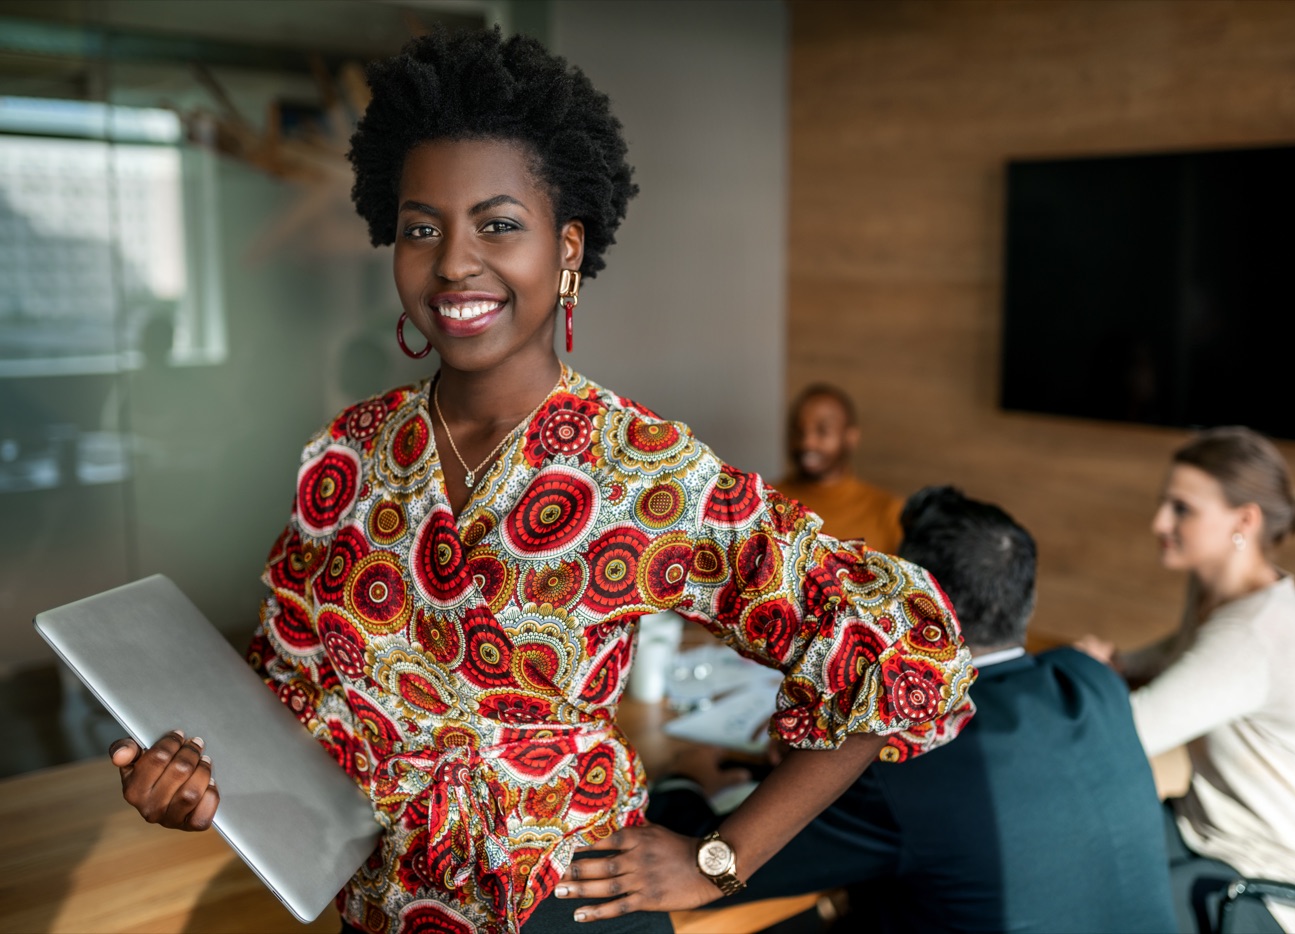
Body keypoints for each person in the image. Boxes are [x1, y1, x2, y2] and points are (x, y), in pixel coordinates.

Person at [105, 28, 976, 934]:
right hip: (386, 908)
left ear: (566, 249)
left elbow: (899, 642)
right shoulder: (346, 457)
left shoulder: (643, 467)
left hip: (568, 911)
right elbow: (282, 699)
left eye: (498, 224)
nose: (451, 262)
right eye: (420, 228)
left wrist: (722, 856)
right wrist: (205, 785)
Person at [649, 486, 1177, 934]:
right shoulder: (1087, 680)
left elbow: (736, 870)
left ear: (914, 601)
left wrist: (684, 785)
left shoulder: (904, 750)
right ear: (1028, 600)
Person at [1077, 427, 1295, 934]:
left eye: (1181, 509)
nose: (1159, 522)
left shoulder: (1257, 631)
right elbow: (1178, 654)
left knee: (1091, 898)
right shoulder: (1217, 593)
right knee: (1082, 849)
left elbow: (1130, 736)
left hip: (1289, 888)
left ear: (1245, 520)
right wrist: (1119, 664)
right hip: (1215, 836)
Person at [774, 384, 903, 555]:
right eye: (798, 431)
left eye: (823, 431)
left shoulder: (889, 513)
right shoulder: (765, 502)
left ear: (850, 437)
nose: (807, 443)